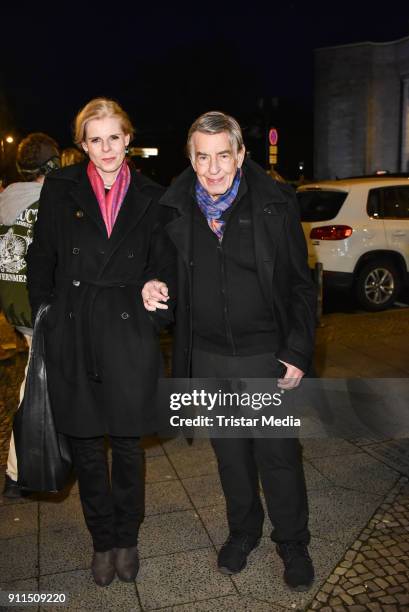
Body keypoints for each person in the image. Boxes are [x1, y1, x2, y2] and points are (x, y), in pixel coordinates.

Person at [142, 111, 317, 591]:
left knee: (278, 456)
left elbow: (302, 287)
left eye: (224, 155)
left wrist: (298, 350)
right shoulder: (174, 209)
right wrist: (153, 288)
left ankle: (293, 541)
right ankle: (243, 532)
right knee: (231, 457)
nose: (214, 168)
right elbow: (162, 278)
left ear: (241, 155)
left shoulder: (275, 204)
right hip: (210, 357)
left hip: (266, 355)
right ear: (191, 158)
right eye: (203, 156)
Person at [26, 98, 173, 587]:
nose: (106, 148)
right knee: (88, 447)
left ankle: (127, 538)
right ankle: (102, 540)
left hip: (128, 331)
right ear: (82, 144)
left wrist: (156, 288)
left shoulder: (154, 196)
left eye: (114, 137)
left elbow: (163, 262)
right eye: (95, 139)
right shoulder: (61, 188)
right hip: (74, 328)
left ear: (128, 138)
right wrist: (46, 314)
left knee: (128, 448)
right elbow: (41, 255)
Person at [0, 132, 60, 498]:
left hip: (15, 308)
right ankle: (19, 471)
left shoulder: (6, 199)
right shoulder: (45, 202)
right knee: (36, 386)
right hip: (40, 309)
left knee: (37, 380)